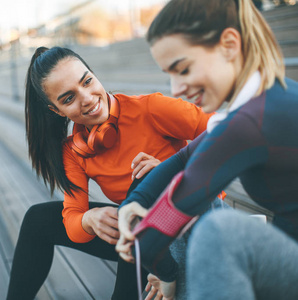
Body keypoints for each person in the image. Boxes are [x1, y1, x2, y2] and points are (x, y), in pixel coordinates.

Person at [116, 0, 298, 299]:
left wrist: (166, 273)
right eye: (169, 74)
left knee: (219, 231)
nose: (175, 88)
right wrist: (136, 201)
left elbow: (151, 241)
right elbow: (184, 158)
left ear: (228, 44)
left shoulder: (249, 123)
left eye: (183, 69)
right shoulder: (266, 101)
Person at [6, 46, 214, 300]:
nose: (87, 98)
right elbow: (73, 221)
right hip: (138, 237)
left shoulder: (150, 109)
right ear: (57, 111)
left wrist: (169, 172)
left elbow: (227, 136)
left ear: (94, 74)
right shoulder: (74, 151)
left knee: (143, 180)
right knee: (37, 219)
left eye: (87, 81)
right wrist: (89, 219)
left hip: (190, 227)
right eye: (68, 98)